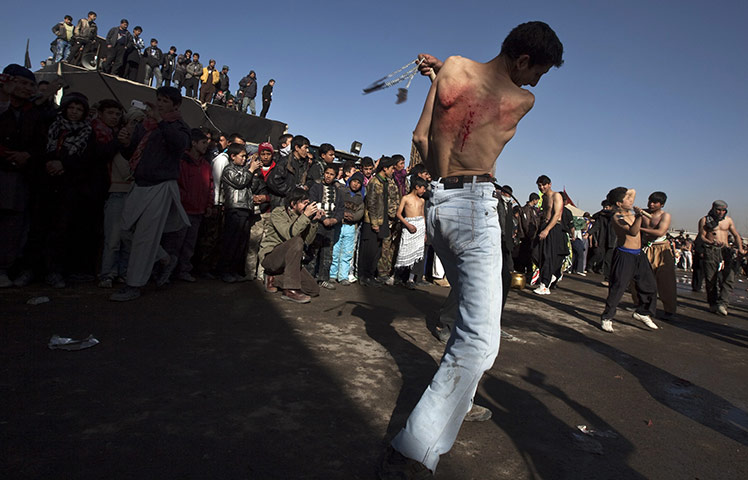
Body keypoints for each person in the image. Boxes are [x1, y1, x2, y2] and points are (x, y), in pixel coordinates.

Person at [380, 22, 564, 477]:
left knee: (467, 317)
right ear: (523, 61)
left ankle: (457, 403)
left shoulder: (455, 68)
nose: (538, 82)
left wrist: (439, 76)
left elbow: (423, 138)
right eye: (538, 70)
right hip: (476, 205)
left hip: (437, 203)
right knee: (481, 338)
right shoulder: (525, 100)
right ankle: (414, 451)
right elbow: (489, 104)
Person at [110, 86, 191, 301]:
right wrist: (125, 142)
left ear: (175, 105)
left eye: (165, 101)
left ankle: (134, 284)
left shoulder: (179, 126)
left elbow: (178, 145)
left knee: (146, 236)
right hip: (140, 184)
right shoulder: (147, 126)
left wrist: (162, 121)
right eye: (159, 99)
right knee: (126, 230)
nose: (161, 103)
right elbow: (132, 153)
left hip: (161, 186)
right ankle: (165, 258)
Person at [0, 65, 46, 288]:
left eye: (31, 85)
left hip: (20, 178)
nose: (28, 88)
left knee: (13, 226)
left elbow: (41, 143)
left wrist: (27, 155)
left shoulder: (34, 113)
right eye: (24, 83)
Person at [599, 187, 659, 333]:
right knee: (618, 288)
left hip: (639, 255)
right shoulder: (617, 217)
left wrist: (626, 193)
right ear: (619, 203)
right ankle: (607, 317)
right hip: (624, 255)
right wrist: (639, 216)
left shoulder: (629, 211)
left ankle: (642, 312)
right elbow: (633, 232)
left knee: (650, 286)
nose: (631, 200)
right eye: (627, 199)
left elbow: (633, 191)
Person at [166, 129, 214, 282]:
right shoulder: (182, 162)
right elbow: (177, 185)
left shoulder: (206, 165)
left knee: (189, 245)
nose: (206, 146)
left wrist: (208, 205)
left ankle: (183, 270)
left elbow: (210, 186)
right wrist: (184, 200)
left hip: (198, 211)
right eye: (203, 143)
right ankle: (167, 272)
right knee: (174, 243)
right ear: (194, 143)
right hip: (182, 210)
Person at [260, 187, 323, 303]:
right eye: (304, 203)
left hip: (290, 262)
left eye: (308, 203)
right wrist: (305, 217)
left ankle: (273, 279)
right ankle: (290, 290)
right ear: (293, 204)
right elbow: (290, 234)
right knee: (296, 240)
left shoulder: (303, 217)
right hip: (272, 258)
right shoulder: (278, 213)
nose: (307, 206)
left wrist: (313, 222)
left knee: (313, 289)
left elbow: (307, 242)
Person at [99, 103, 137, 288]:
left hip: (132, 197)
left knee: (127, 240)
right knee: (113, 239)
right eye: (131, 122)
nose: (133, 127)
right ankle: (107, 273)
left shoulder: (136, 147)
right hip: (117, 194)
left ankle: (123, 273)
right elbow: (127, 173)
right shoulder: (116, 146)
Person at [217, 144, 262, 283]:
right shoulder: (229, 170)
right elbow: (240, 182)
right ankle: (225, 271)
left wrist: (254, 174)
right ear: (233, 156)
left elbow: (252, 186)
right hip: (235, 208)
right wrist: (251, 170)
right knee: (231, 241)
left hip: (246, 209)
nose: (244, 159)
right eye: (242, 156)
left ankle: (234, 270)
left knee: (241, 243)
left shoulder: (245, 170)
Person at [698, 200, 744, 315]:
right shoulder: (705, 220)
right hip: (711, 250)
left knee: (729, 277)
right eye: (718, 210)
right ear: (713, 208)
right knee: (710, 279)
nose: (721, 212)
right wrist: (711, 242)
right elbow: (702, 236)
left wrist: (740, 248)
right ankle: (713, 303)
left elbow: (736, 235)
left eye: (723, 210)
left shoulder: (728, 220)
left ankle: (723, 303)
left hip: (726, 251)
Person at [638, 191, 677, 320]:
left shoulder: (665, 216)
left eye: (655, 202)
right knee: (643, 281)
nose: (651, 204)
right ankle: (645, 307)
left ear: (662, 204)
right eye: (650, 201)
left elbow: (660, 232)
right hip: (646, 248)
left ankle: (669, 310)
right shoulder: (642, 213)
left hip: (661, 249)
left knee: (666, 282)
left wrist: (640, 229)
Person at [359, 156, 396, 287]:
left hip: (383, 220)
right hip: (372, 222)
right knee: (369, 250)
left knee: (377, 250)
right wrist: (374, 223)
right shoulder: (375, 182)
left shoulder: (386, 181)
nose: (393, 171)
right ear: (385, 168)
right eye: (392, 168)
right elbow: (372, 204)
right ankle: (364, 276)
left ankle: (371, 275)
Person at [308, 164, 345, 289]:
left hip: (331, 227)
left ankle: (323, 279)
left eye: (331, 174)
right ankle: (308, 278)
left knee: (327, 253)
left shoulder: (338, 191)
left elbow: (340, 209)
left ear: (335, 176)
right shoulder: (316, 188)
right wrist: (323, 219)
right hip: (317, 225)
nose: (328, 176)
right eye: (327, 173)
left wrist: (334, 219)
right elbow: (313, 204)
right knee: (313, 251)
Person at [244, 142, 275, 281]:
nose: (265, 156)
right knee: (253, 244)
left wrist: (266, 198)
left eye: (268, 154)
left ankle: (262, 274)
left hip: (270, 212)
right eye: (263, 153)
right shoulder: (252, 168)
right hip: (255, 212)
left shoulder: (277, 170)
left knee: (266, 245)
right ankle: (249, 273)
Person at [532, 175, 567, 294]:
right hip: (544, 225)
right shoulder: (544, 198)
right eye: (539, 185)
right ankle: (550, 276)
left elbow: (557, 214)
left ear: (549, 184)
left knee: (547, 256)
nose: (542, 187)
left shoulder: (556, 196)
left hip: (553, 227)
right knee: (536, 254)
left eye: (544, 185)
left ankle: (545, 284)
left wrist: (547, 230)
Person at [330, 171, 364, 285]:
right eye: (354, 181)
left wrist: (353, 217)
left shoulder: (360, 197)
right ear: (350, 181)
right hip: (339, 224)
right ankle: (332, 274)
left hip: (351, 227)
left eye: (358, 183)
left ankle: (343, 276)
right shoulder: (341, 192)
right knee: (335, 250)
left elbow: (361, 212)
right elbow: (336, 205)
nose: (355, 184)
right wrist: (342, 214)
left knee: (347, 252)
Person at [394, 176, 428, 289]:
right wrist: (407, 224)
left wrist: (424, 232)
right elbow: (399, 214)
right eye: (423, 188)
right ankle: (396, 276)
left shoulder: (422, 200)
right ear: (417, 187)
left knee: (417, 254)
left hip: (419, 226)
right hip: (408, 225)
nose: (424, 191)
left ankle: (410, 279)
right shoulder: (406, 198)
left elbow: (423, 215)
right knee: (403, 250)